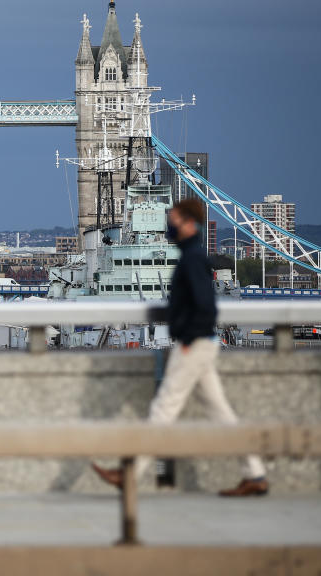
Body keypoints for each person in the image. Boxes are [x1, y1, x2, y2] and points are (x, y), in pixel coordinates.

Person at [92, 199, 269, 497]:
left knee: (163, 410)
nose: (169, 226)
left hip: (193, 345)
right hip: (201, 344)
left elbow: (205, 307)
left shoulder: (192, 259)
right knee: (221, 413)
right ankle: (256, 474)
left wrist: (186, 341)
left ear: (188, 223)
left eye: (172, 220)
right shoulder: (192, 256)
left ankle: (130, 475)